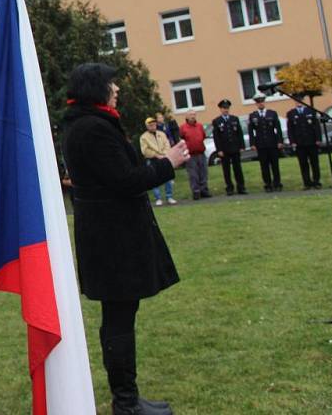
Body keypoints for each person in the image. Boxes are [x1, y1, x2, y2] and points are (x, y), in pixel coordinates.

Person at [62, 63, 189, 415]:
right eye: (111, 83)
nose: (117, 88)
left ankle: (128, 397)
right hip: (112, 239)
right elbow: (126, 180)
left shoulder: (89, 124)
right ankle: (126, 402)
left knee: (121, 314)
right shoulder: (92, 128)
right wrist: (168, 163)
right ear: (96, 88)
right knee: (118, 317)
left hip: (110, 236)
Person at [248, 94, 284, 192]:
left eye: (262, 101)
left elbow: (278, 129)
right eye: (258, 102)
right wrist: (252, 144)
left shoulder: (272, 114)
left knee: (275, 165)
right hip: (261, 145)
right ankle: (267, 184)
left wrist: (280, 141)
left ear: (264, 102)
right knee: (264, 166)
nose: (260, 104)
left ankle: (277, 183)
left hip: (272, 143)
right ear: (256, 104)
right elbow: (251, 131)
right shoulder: (253, 116)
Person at [211, 99, 247, 195]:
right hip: (224, 149)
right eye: (224, 108)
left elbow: (239, 133)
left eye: (227, 108)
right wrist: (219, 150)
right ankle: (229, 188)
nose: (226, 110)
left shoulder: (234, 119)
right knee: (226, 170)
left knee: (238, 169)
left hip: (235, 148)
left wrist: (241, 146)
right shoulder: (216, 121)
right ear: (220, 109)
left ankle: (241, 187)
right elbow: (216, 137)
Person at [287, 96, 323, 189]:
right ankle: (307, 182)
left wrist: (318, 139)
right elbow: (290, 130)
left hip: (312, 142)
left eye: (300, 100)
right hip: (300, 144)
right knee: (303, 164)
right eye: (297, 100)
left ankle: (316, 181)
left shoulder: (311, 111)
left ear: (303, 101)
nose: (299, 102)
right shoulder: (291, 113)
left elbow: (317, 127)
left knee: (314, 163)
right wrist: (292, 142)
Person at [140, 118, 177, 206]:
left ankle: (169, 196)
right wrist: (156, 155)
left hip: (164, 158)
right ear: (147, 126)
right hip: (152, 159)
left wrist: (164, 154)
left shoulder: (162, 134)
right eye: (150, 125)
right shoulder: (144, 137)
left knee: (167, 177)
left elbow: (167, 145)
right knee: (154, 178)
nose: (153, 126)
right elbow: (145, 151)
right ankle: (158, 198)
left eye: (154, 124)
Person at [179, 110, 211, 200]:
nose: (193, 116)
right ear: (187, 117)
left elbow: (203, 136)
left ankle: (204, 190)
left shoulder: (200, 126)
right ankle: (196, 192)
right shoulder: (183, 128)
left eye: (194, 115)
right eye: (191, 115)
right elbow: (181, 139)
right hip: (190, 154)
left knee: (203, 172)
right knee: (193, 174)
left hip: (201, 152)